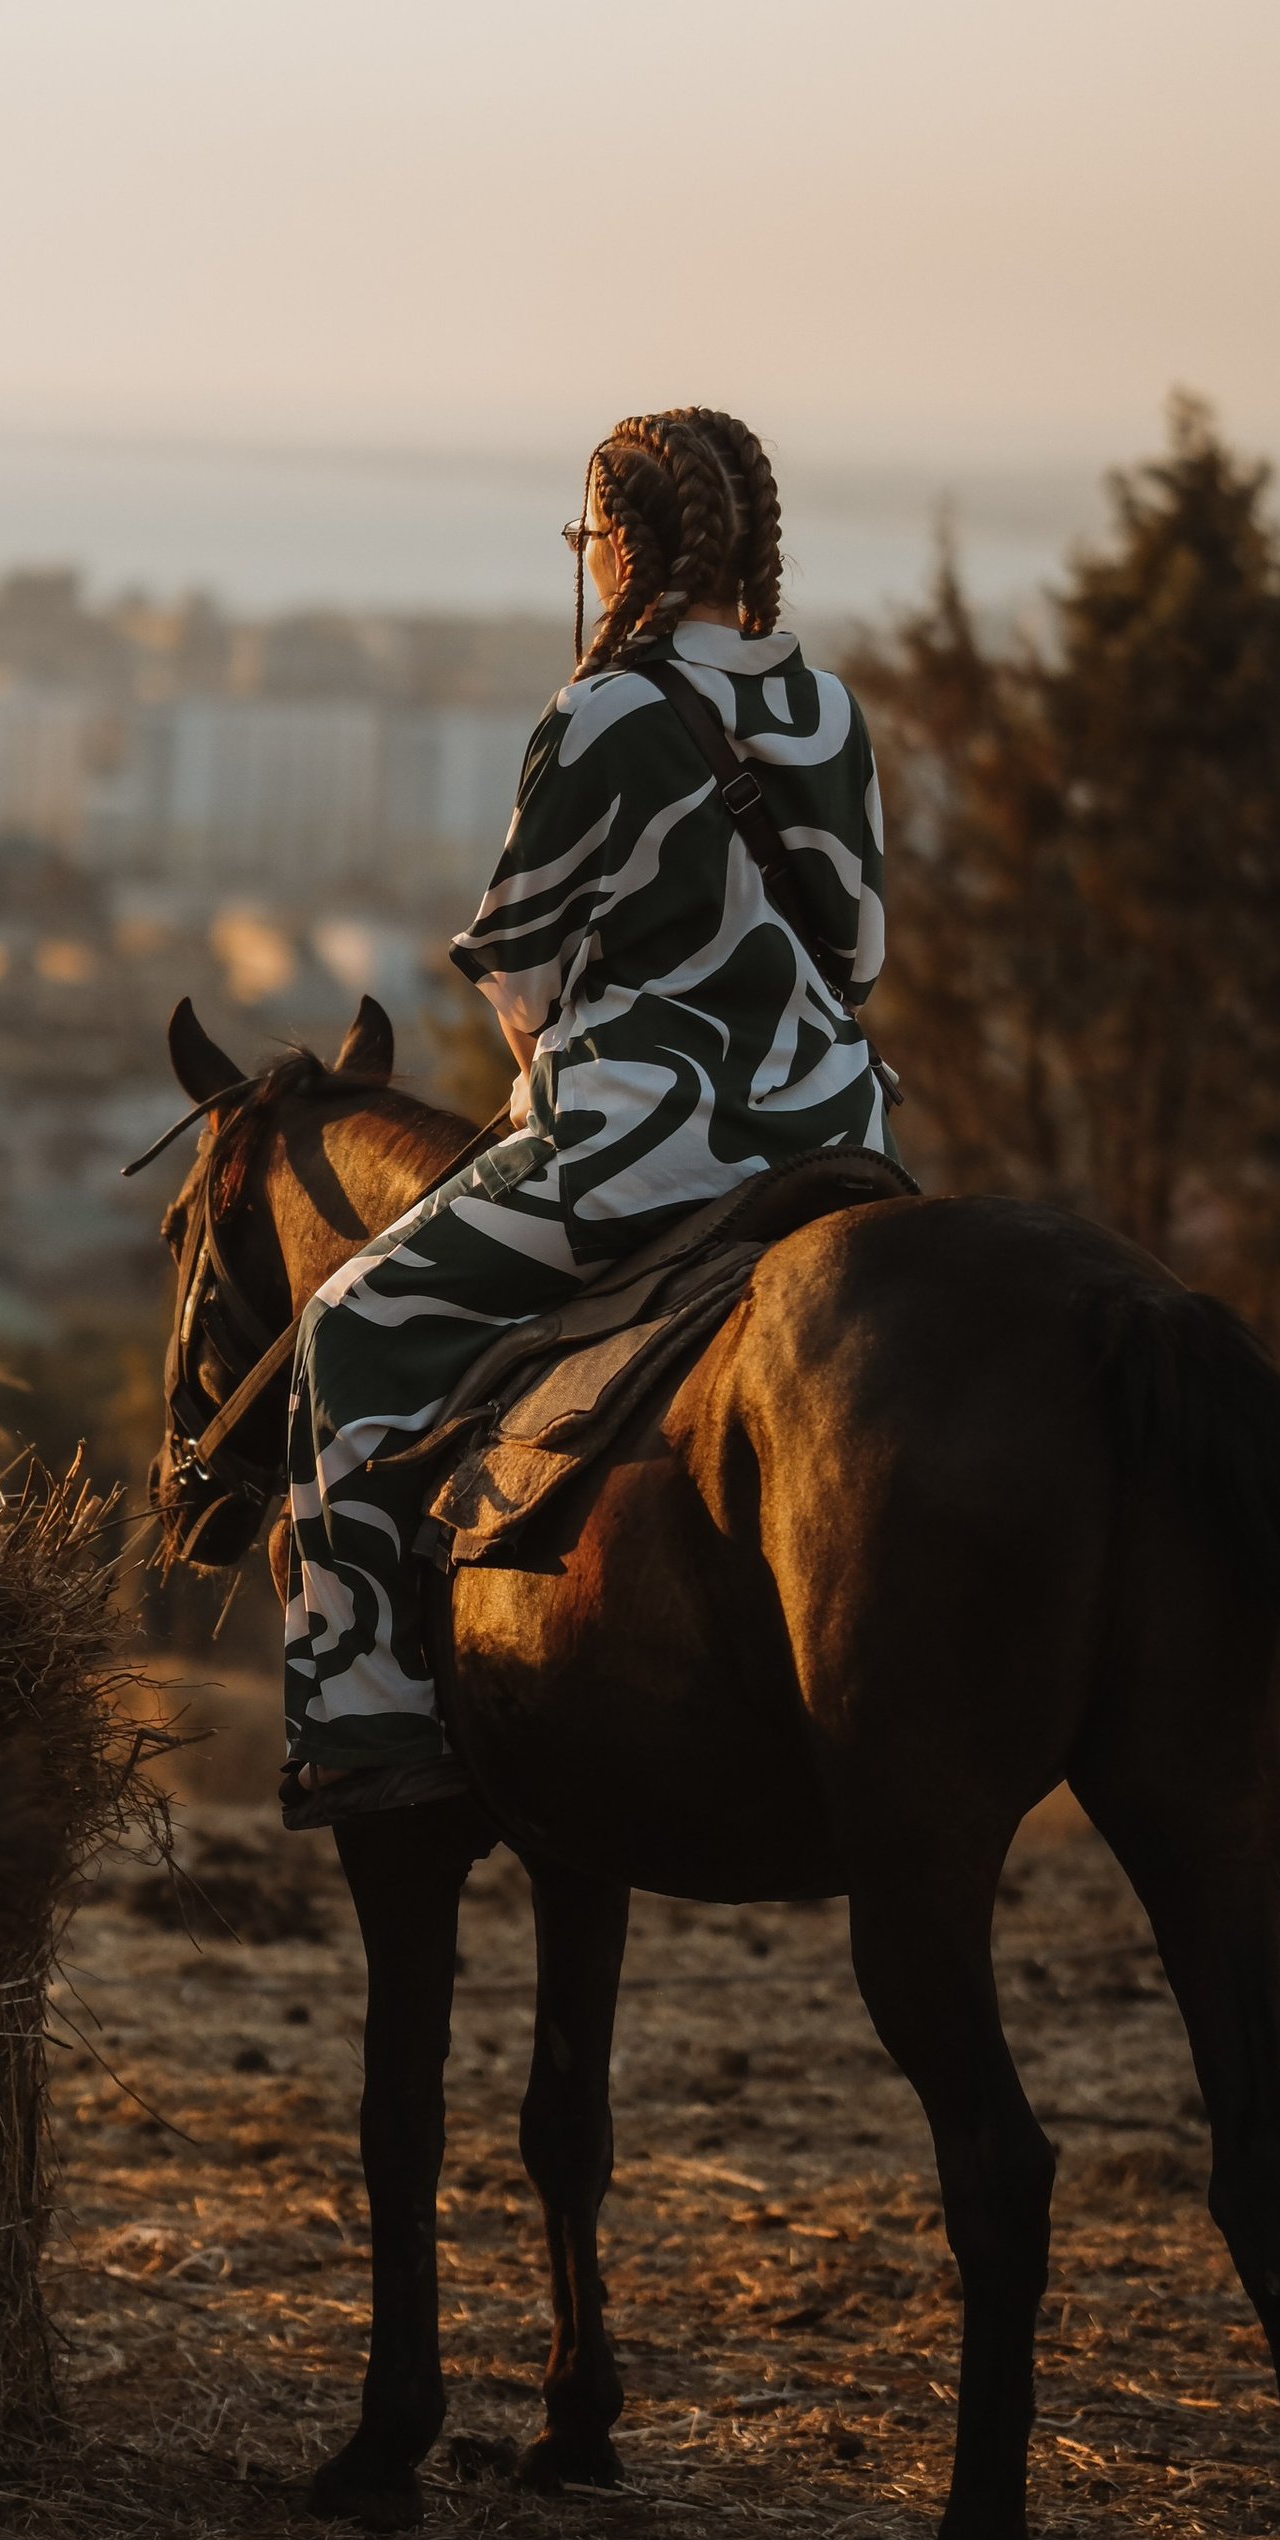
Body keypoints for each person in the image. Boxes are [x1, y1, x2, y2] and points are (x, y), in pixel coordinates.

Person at [280, 408, 892, 1827]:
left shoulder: (600, 710)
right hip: (840, 1134)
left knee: (352, 1333)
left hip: (645, 1139)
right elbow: (855, 957)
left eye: (589, 536)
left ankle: (369, 1719)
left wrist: (558, 1070)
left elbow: (518, 963)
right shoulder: (831, 707)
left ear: (620, 545)